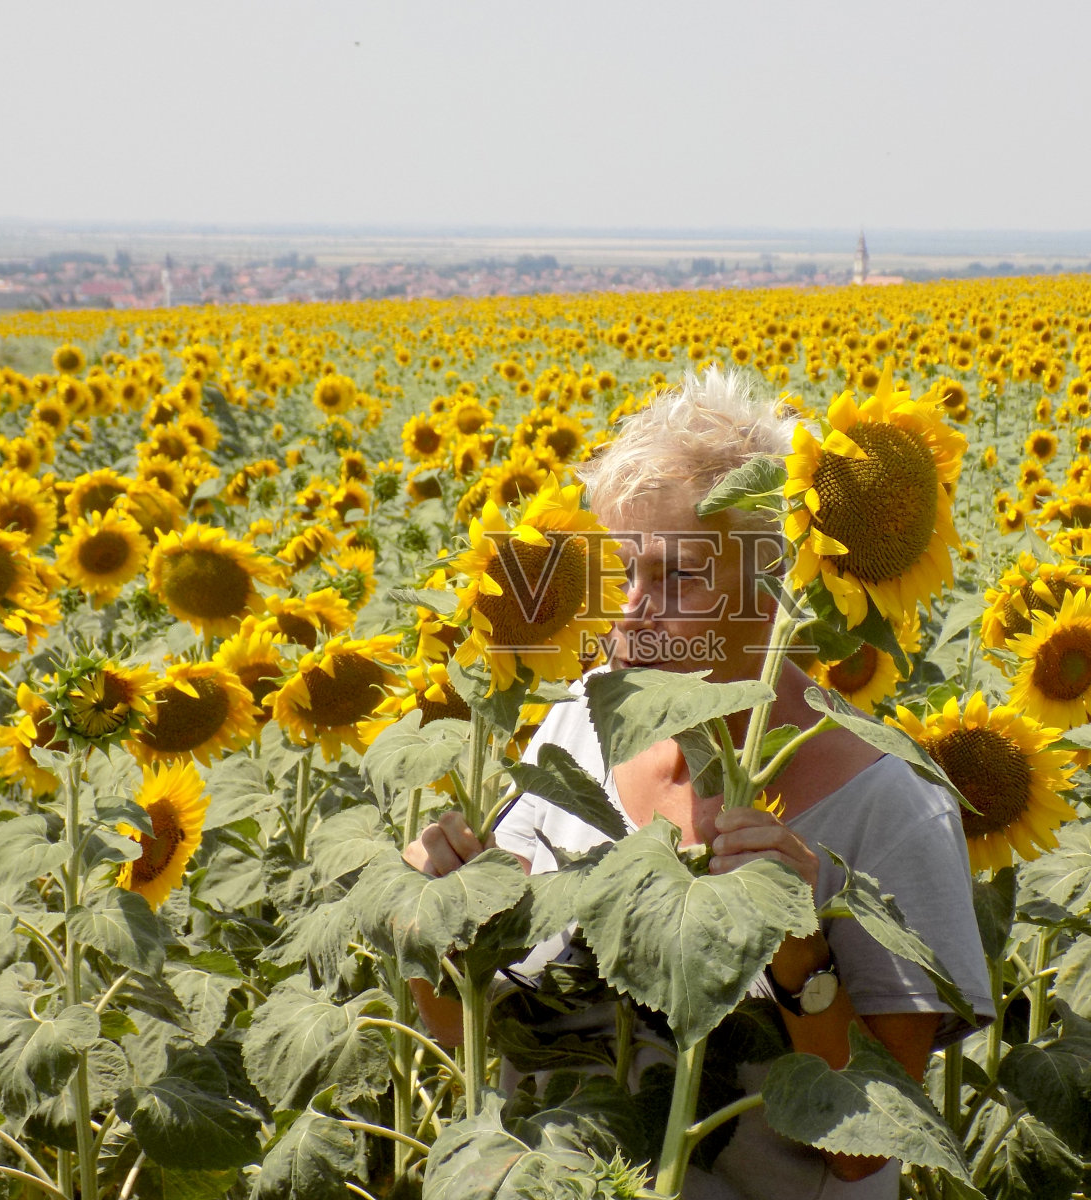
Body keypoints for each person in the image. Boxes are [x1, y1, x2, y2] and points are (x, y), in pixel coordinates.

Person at [406, 367, 993, 1199]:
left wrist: (798, 952)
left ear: (777, 582)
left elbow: (865, 1149)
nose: (630, 612)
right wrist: (436, 922)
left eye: (676, 577)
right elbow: (480, 1032)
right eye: (619, 574)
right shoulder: (576, 728)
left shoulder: (887, 806)